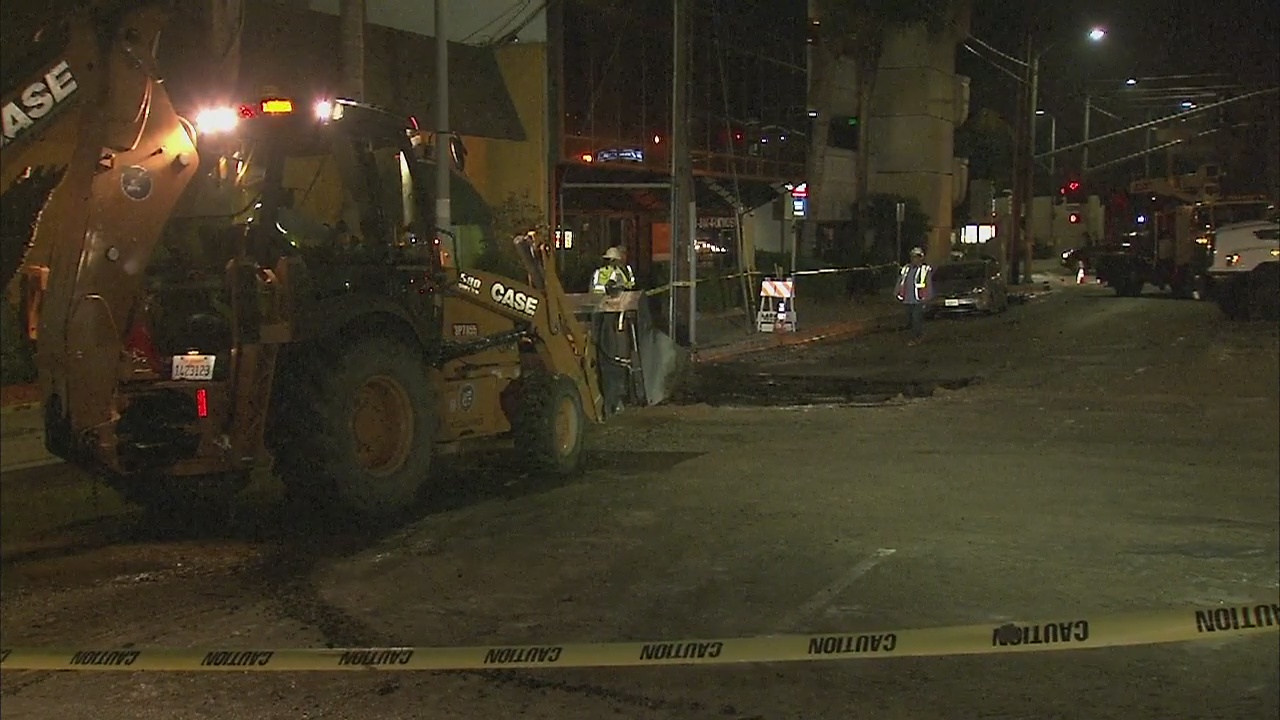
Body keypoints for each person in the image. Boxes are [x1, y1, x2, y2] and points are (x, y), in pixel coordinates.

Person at [895, 246, 934, 346]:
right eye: (913, 257)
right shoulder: (906, 269)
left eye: (917, 257)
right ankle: (916, 336)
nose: (914, 259)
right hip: (907, 300)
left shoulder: (924, 270)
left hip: (919, 300)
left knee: (916, 320)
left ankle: (917, 337)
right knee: (910, 320)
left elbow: (928, 285)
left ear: (921, 258)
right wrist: (897, 293)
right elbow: (901, 281)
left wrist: (927, 299)